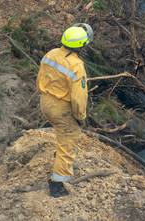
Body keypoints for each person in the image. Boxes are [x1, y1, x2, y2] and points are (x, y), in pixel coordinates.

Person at [36, 23, 93, 198]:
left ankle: (58, 160)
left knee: (61, 134)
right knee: (69, 139)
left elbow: (40, 77)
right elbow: (78, 97)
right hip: (62, 107)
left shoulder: (51, 54)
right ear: (82, 45)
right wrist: (80, 116)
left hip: (46, 101)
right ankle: (57, 184)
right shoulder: (76, 65)